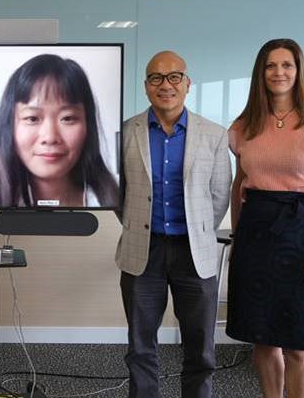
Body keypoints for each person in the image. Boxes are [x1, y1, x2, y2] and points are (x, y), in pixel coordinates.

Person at [226, 38, 304, 398]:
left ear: (298, 70)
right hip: (255, 234)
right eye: (270, 65)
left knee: (299, 343)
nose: (279, 72)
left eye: (287, 65)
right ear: (260, 73)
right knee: (262, 338)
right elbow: (239, 185)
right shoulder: (245, 125)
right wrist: (237, 239)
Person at [115, 51, 231, 398]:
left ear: (187, 83)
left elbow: (219, 195)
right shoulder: (126, 132)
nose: (165, 85)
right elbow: (117, 194)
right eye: (156, 78)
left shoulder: (214, 135)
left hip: (195, 254)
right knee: (140, 347)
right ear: (146, 86)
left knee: (200, 348)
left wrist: (196, 229)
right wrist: (136, 224)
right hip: (143, 250)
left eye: (173, 77)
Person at [0, 53, 118, 208]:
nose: (50, 137)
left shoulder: (120, 199)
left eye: (67, 118)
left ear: (88, 126)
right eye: (32, 118)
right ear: (8, 127)